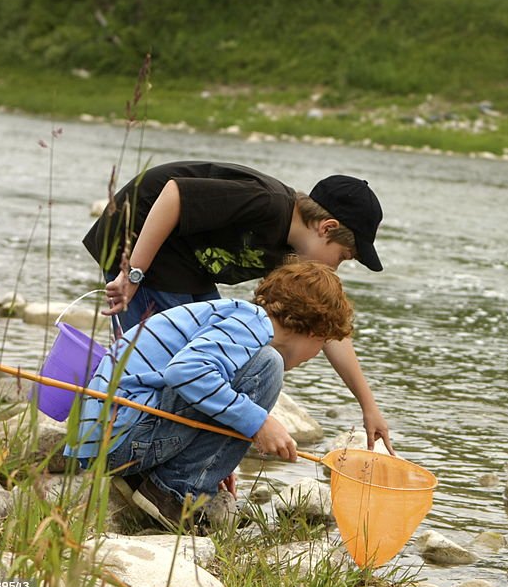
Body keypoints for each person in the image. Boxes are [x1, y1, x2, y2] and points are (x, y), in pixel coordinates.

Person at [83, 160, 392, 453]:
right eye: (343, 256)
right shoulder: (267, 204)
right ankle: (125, 449)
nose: (337, 268)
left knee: (224, 360)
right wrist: (134, 272)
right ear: (326, 228)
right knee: (168, 364)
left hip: (191, 267)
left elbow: (325, 324)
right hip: (139, 241)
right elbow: (175, 193)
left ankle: (186, 454)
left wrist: (368, 405)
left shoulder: (293, 253)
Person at [67, 260, 361, 530]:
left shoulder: (236, 319)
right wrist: (260, 423)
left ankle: (161, 481)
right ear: (313, 331)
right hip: (122, 440)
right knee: (269, 366)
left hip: (111, 439)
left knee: (246, 377)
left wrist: (213, 458)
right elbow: (184, 373)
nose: (314, 355)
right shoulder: (252, 326)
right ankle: (174, 492)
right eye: (322, 344)